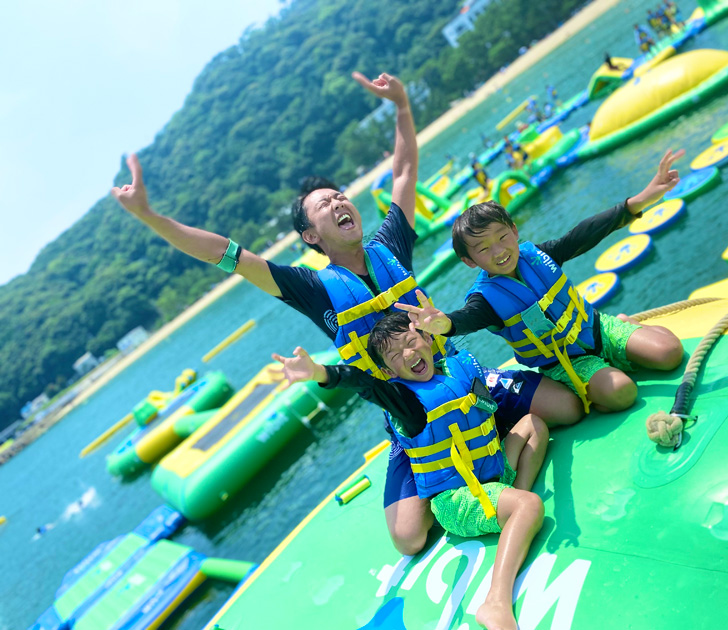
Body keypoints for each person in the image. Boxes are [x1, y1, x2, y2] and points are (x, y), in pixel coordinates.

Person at [111, 71, 581, 556]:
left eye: (339, 195)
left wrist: (400, 104)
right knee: (408, 538)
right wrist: (151, 217)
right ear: (311, 237)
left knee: (566, 408)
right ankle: (468, 460)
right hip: (411, 415)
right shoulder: (311, 288)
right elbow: (227, 255)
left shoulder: (390, 245)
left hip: (464, 379)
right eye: (323, 205)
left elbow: (403, 174)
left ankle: (490, 448)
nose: (338, 201)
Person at [269, 312, 547, 630]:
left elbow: (487, 411)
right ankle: (495, 602)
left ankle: (512, 506)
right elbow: (365, 384)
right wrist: (321, 372)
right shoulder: (405, 401)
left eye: (411, 341)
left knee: (533, 425)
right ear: (389, 371)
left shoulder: (457, 368)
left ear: (428, 339)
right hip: (459, 497)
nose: (409, 353)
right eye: (395, 354)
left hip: (492, 471)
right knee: (530, 506)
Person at [397, 150, 687, 415]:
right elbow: (467, 318)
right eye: (484, 249)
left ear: (514, 230)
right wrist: (444, 324)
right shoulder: (485, 299)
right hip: (567, 364)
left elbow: (582, 235)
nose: (499, 251)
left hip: (599, 330)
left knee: (670, 353)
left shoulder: (537, 256)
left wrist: (642, 198)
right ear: (469, 261)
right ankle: (593, 378)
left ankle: (624, 329)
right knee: (623, 393)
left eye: (502, 237)